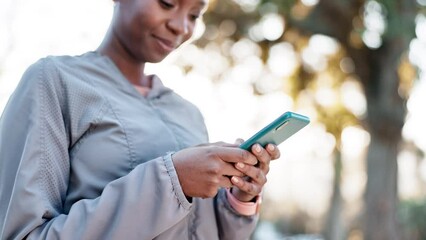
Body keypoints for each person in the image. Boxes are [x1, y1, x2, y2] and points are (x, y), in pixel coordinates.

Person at [0, 0, 280, 239]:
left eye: (194, 15)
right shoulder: (55, 82)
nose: (181, 26)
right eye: (167, 3)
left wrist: (237, 199)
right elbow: (25, 234)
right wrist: (173, 181)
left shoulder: (187, 113)